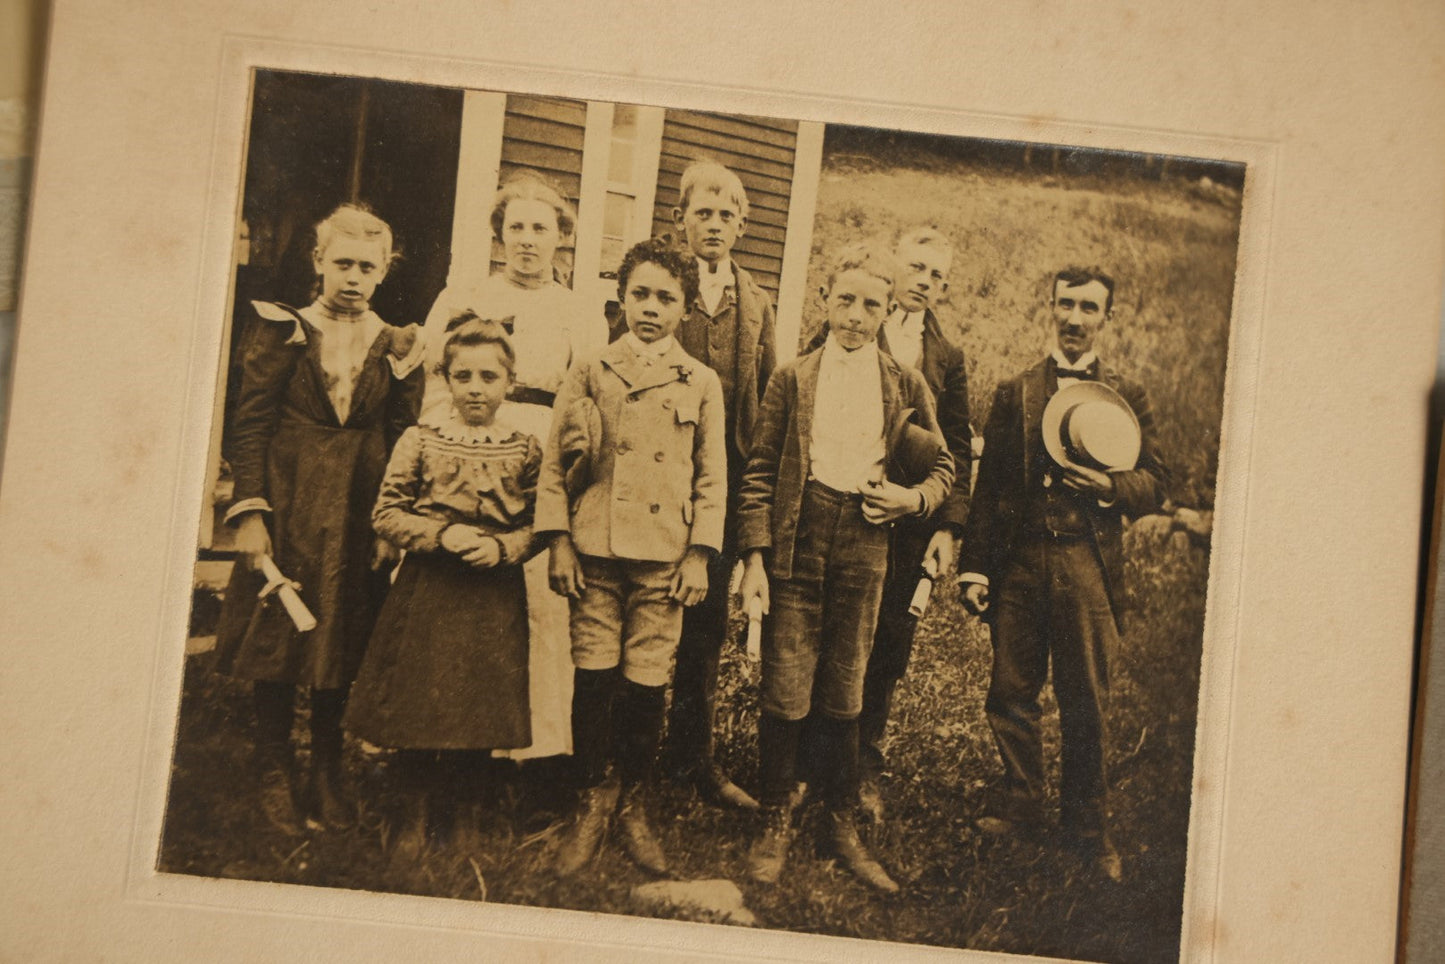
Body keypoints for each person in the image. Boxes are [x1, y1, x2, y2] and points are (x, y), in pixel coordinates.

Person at [736, 242, 954, 893]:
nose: (855, 316)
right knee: (787, 680)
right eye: (845, 300)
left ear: (888, 311)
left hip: (865, 545)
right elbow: (757, 471)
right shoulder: (793, 378)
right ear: (825, 301)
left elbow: (945, 468)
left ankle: (838, 822)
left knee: (845, 683)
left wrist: (910, 499)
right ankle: (774, 816)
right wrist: (754, 556)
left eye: (870, 305)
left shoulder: (903, 384)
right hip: (797, 542)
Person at [214, 203, 425, 834]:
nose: (353, 277)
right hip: (290, 495)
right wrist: (249, 513)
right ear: (317, 262)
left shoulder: (398, 344)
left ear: (385, 270)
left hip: (361, 504)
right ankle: (274, 766)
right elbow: (249, 425)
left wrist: (393, 526)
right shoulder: (285, 329)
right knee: (280, 629)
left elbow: (404, 435)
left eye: (367, 266)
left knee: (343, 630)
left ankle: (328, 769)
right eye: (342, 263)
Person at [957, 266, 1169, 883]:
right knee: (1011, 690)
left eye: (1089, 308)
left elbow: (1157, 484)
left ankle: (1087, 828)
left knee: (1087, 700)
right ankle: (1020, 803)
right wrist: (976, 568)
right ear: (1050, 307)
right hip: (1022, 561)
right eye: (1066, 304)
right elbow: (992, 489)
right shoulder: (1015, 392)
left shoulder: (1127, 397)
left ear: (1108, 317)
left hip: (1086, 562)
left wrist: (1109, 485)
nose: (1075, 318)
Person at [536, 238, 727, 877]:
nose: (650, 308)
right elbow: (554, 465)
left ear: (685, 307)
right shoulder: (591, 367)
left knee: (647, 680)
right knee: (593, 674)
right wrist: (559, 539)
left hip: (664, 559)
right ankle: (591, 799)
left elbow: (712, 478)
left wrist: (699, 553)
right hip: (594, 549)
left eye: (665, 298)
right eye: (639, 294)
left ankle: (633, 805)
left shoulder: (701, 381)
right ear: (621, 297)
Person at [418, 172, 607, 773]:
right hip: (471, 456)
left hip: (544, 465)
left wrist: (569, 474)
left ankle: (536, 754)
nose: (527, 241)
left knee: (540, 603)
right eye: (516, 228)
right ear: (499, 235)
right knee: (468, 598)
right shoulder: (462, 299)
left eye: (541, 229)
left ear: (561, 238)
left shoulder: (579, 311)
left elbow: (587, 405)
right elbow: (435, 387)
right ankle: (456, 753)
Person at [344, 316, 542, 856]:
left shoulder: (524, 448)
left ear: (510, 381)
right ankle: (410, 811)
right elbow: (386, 513)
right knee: (419, 702)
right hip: (428, 591)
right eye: (463, 376)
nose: (475, 388)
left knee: (478, 704)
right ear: (447, 379)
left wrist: (504, 548)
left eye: (488, 377)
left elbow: (542, 524)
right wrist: (442, 533)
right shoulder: (421, 439)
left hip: (492, 595)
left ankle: (465, 816)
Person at [800, 226, 974, 822]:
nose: (923, 281)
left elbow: (956, 448)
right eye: (916, 267)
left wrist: (946, 527)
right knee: (830, 632)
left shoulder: (946, 359)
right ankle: (807, 763)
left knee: (890, 640)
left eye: (937, 275)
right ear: (893, 267)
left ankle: (861, 766)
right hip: (842, 515)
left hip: (909, 523)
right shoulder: (844, 324)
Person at [660, 160, 777, 811]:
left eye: (726, 215)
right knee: (643, 620)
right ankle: (625, 756)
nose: (714, 225)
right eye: (701, 212)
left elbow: (765, 410)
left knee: (704, 632)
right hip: (655, 481)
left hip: (720, 492)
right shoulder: (659, 287)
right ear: (680, 219)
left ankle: (691, 762)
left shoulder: (756, 304)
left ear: (741, 225)